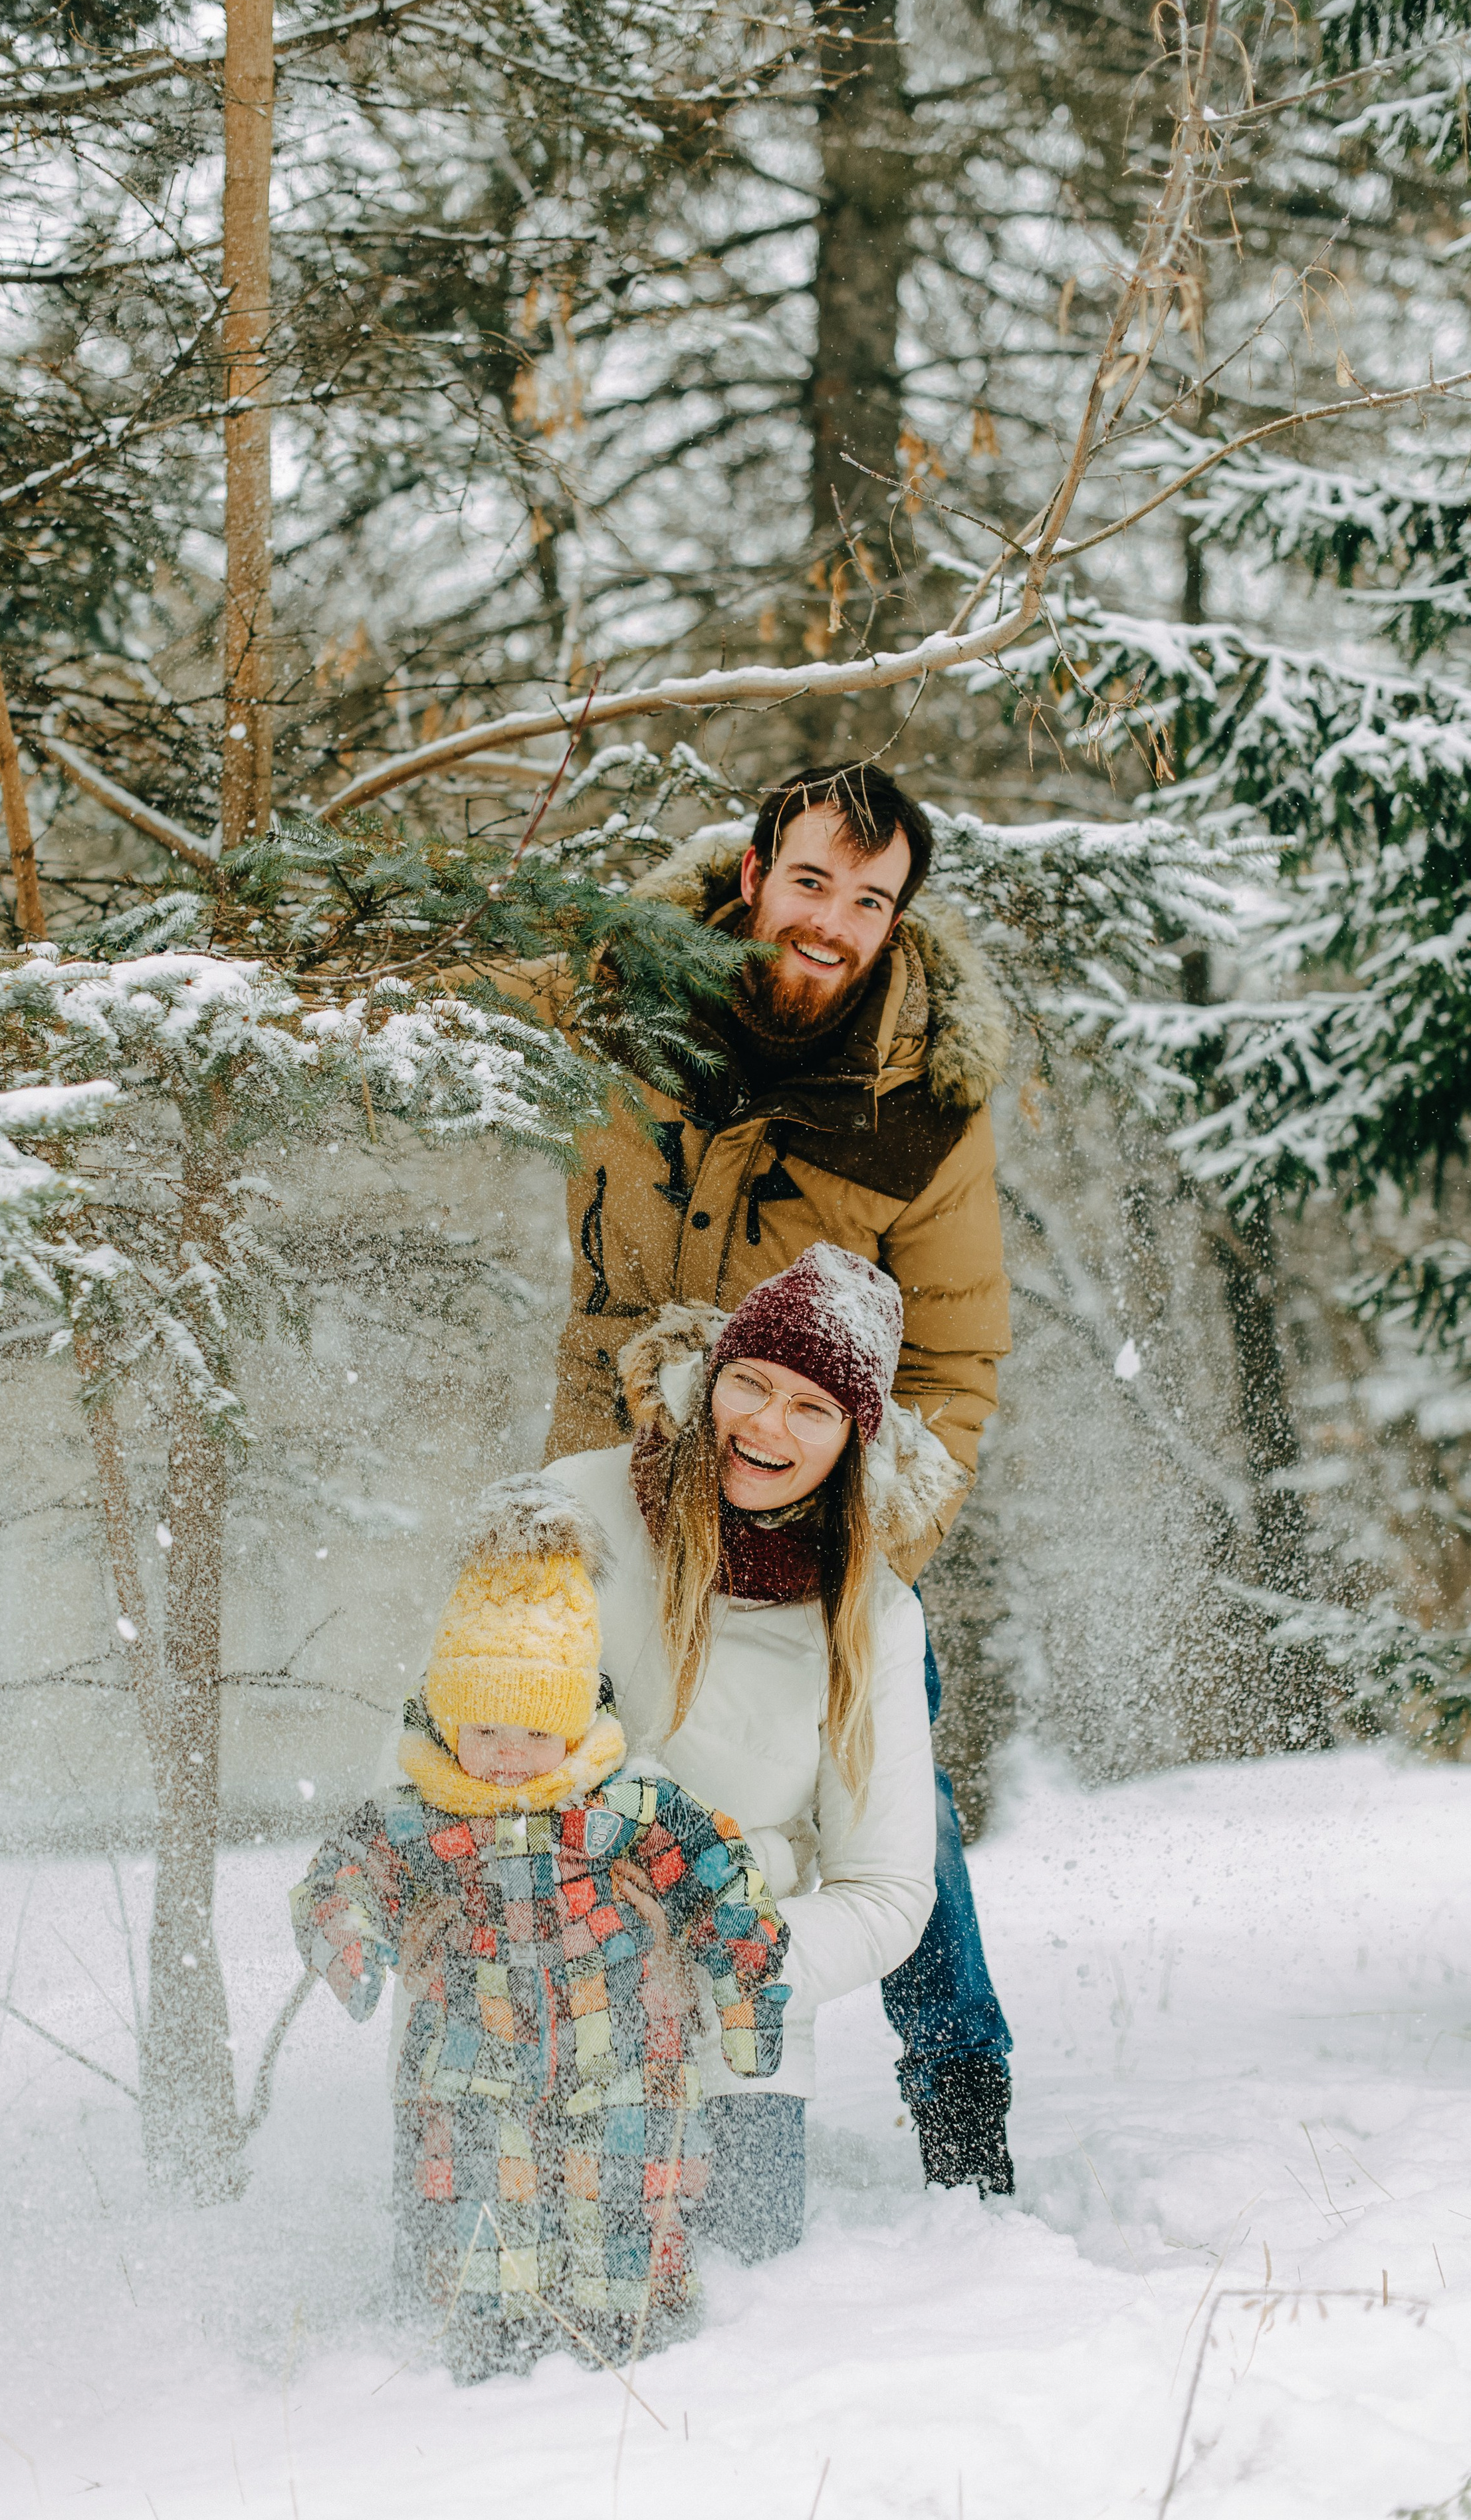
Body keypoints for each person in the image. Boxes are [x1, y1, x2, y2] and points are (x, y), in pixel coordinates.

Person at [544, 761, 1018, 2193]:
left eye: (870, 901)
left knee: (894, 1813)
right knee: (571, 1780)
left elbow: (956, 1362)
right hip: (623, 1506)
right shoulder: (622, 1004)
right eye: (810, 881)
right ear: (752, 875)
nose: (832, 921)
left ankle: (963, 2112)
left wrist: (866, 1563)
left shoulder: (922, 1110)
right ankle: (580, 2116)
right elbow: (453, 988)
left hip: (819, 1531)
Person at [290, 1478, 789, 2382]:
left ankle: (631, 2344)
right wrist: (353, 1944)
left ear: (575, 1723)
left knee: (623, 2203)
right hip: (473, 2063)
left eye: (534, 1729)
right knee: (485, 2209)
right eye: (485, 1728)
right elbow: (340, 1878)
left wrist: (744, 1999)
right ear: (449, 1720)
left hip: (624, 2053)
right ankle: (496, 2352)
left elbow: (725, 1884)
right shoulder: (417, 1815)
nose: (509, 1755)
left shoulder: (627, 1806)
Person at [544, 1243, 945, 2258]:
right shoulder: (575, 1512)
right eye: (751, 1384)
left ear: (854, 1441)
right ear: (709, 1377)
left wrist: (727, 1953)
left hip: (737, 2021)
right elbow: (447, 1739)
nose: (767, 1425)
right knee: (518, 2278)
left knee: (739, 2294)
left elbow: (888, 1892)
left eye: (812, 1409)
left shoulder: (874, 1621)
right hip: (545, 1979)